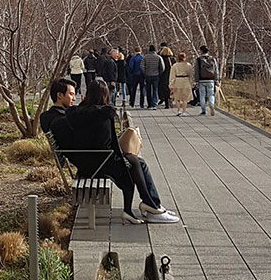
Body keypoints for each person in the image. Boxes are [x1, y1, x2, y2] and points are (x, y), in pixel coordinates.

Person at [47, 77, 179, 225]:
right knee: (136, 163)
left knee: (136, 162)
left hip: (88, 160)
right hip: (98, 163)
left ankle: (152, 205)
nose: (73, 97)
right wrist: (123, 155)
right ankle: (151, 206)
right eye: (70, 94)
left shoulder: (74, 113)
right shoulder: (103, 115)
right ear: (105, 95)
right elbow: (106, 145)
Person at [194, 45, 220, 117]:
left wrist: (196, 81)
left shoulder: (198, 60)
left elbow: (196, 71)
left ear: (201, 51)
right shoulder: (212, 59)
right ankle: (211, 104)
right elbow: (216, 70)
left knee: (202, 95)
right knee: (211, 94)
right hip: (211, 80)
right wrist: (216, 80)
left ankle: (203, 110)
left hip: (201, 80)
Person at [169, 50, 194, 115]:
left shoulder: (174, 65)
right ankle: (184, 111)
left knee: (177, 97)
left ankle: (178, 110)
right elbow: (191, 74)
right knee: (185, 98)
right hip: (186, 81)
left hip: (177, 81)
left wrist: (171, 83)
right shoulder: (188, 65)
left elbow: (172, 75)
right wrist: (191, 82)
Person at [141, 45, 163, 110]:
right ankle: (154, 104)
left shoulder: (145, 57)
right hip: (156, 75)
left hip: (148, 75)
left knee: (148, 90)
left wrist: (145, 73)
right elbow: (162, 67)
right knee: (155, 90)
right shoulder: (158, 57)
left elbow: (142, 66)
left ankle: (149, 104)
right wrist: (159, 73)